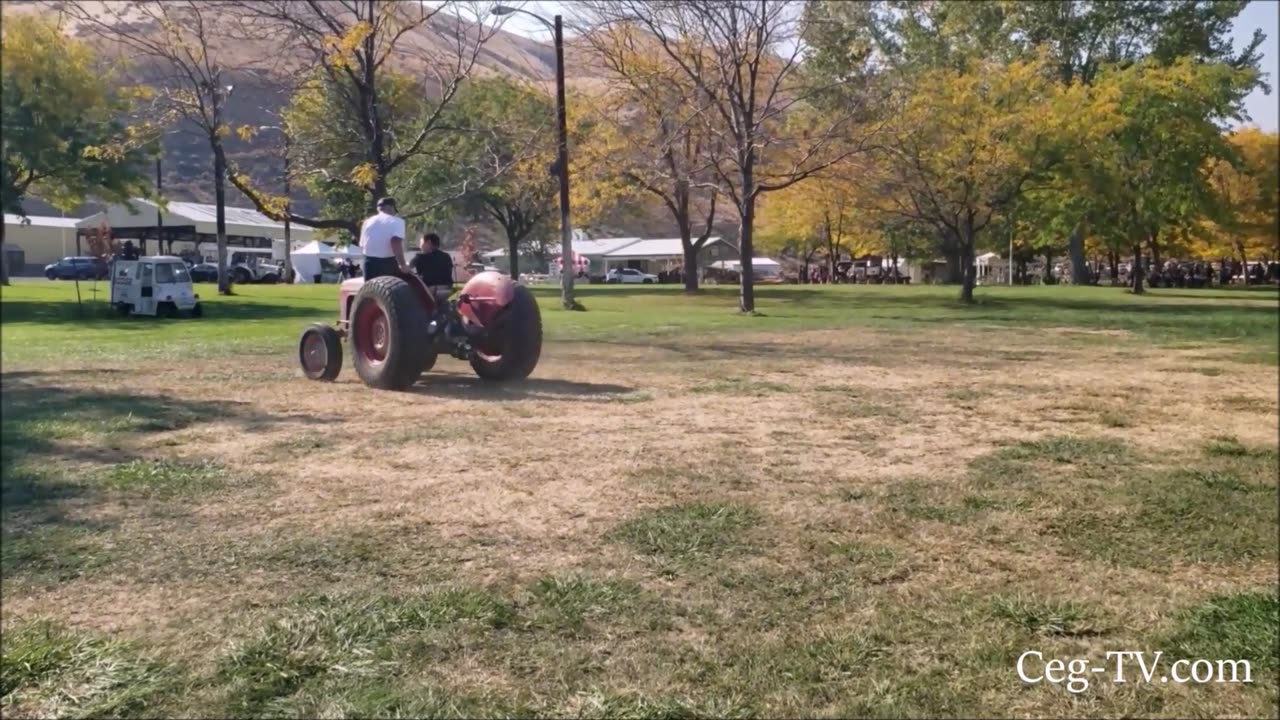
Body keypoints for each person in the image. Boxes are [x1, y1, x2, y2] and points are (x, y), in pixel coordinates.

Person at [359, 197, 410, 281]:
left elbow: (362, 244)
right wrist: (402, 264)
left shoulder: (367, 222)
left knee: (370, 290)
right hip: (388, 263)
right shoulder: (398, 221)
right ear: (391, 207)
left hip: (369, 262)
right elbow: (395, 242)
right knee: (389, 291)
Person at [410, 232, 454, 304]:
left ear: (428, 242)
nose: (420, 246)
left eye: (421, 243)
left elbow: (406, 269)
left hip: (429, 291)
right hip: (448, 289)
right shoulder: (446, 256)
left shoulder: (419, 257)